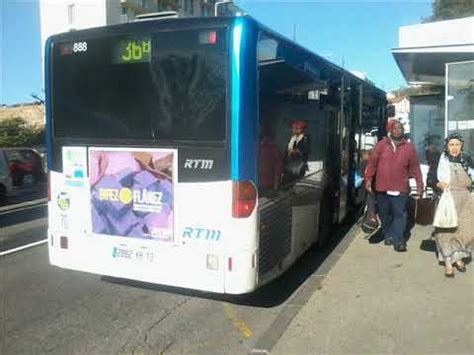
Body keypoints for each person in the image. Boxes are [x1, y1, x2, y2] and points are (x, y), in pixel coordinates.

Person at [365, 120, 423, 252]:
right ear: (390, 131)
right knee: (385, 214)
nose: (398, 130)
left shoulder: (409, 148)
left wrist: (420, 185)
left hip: (400, 188)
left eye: (400, 128)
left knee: (400, 214)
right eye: (395, 128)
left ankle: (399, 240)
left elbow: (415, 168)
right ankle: (388, 234)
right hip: (382, 188)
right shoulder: (381, 146)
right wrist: (368, 179)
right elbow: (372, 164)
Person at [427, 133, 473, 278]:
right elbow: (430, 179)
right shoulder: (440, 161)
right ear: (447, 146)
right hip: (447, 200)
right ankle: (448, 262)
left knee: (467, 230)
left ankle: (458, 256)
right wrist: (438, 184)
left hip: (466, 200)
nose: (454, 148)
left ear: (462, 146)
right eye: (451, 144)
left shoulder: (467, 160)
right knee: (446, 231)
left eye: (457, 144)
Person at [259, 125, 283, 191]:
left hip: (265, 184)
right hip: (264, 183)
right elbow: (278, 169)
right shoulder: (274, 149)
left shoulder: (272, 149)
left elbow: (278, 169)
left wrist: (276, 184)